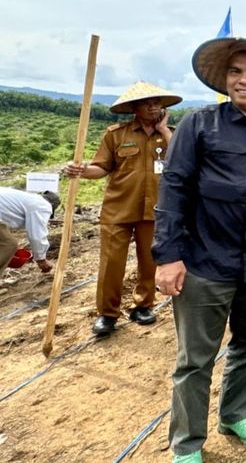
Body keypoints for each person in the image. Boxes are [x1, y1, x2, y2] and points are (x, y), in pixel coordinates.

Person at [153, 37, 246, 463]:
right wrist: (167, 256)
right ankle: (186, 445)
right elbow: (174, 190)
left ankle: (237, 414)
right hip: (205, 262)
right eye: (236, 72)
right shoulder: (199, 126)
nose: (244, 80)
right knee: (195, 360)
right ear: (225, 78)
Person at [63, 82, 182, 336]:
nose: (153, 106)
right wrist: (83, 170)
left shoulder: (170, 134)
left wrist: (163, 129)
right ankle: (107, 314)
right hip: (118, 210)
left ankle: (144, 305)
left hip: (155, 210)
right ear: (134, 108)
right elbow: (101, 168)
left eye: (157, 102)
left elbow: (181, 161)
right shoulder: (116, 134)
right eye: (147, 103)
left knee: (150, 261)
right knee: (111, 264)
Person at [0, 188, 59, 274]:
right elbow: (37, 235)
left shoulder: (28, 199)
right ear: (52, 205)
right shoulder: (43, 206)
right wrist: (41, 259)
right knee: (9, 245)